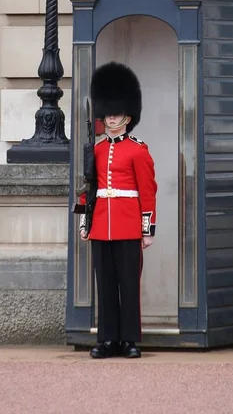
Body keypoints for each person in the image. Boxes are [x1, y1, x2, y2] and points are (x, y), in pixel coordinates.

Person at [79, 61, 157, 359]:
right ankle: (108, 339)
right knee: (106, 286)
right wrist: (85, 222)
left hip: (127, 225)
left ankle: (129, 340)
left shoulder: (138, 150)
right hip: (101, 225)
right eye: (108, 113)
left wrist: (146, 229)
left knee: (128, 285)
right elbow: (91, 188)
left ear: (128, 115)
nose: (112, 118)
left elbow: (148, 192)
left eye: (117, 112)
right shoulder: (97, 150)